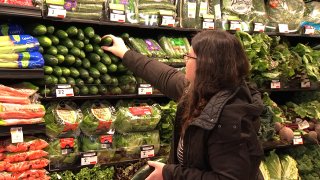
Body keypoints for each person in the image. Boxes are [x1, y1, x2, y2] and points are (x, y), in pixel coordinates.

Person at [101, 30, 264, 180]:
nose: (185, 60)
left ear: (206, 65)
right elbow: (166, 76)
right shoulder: (201, 92)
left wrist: (170, 174)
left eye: (189, 56)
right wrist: (125, 53)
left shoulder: (229, 118)